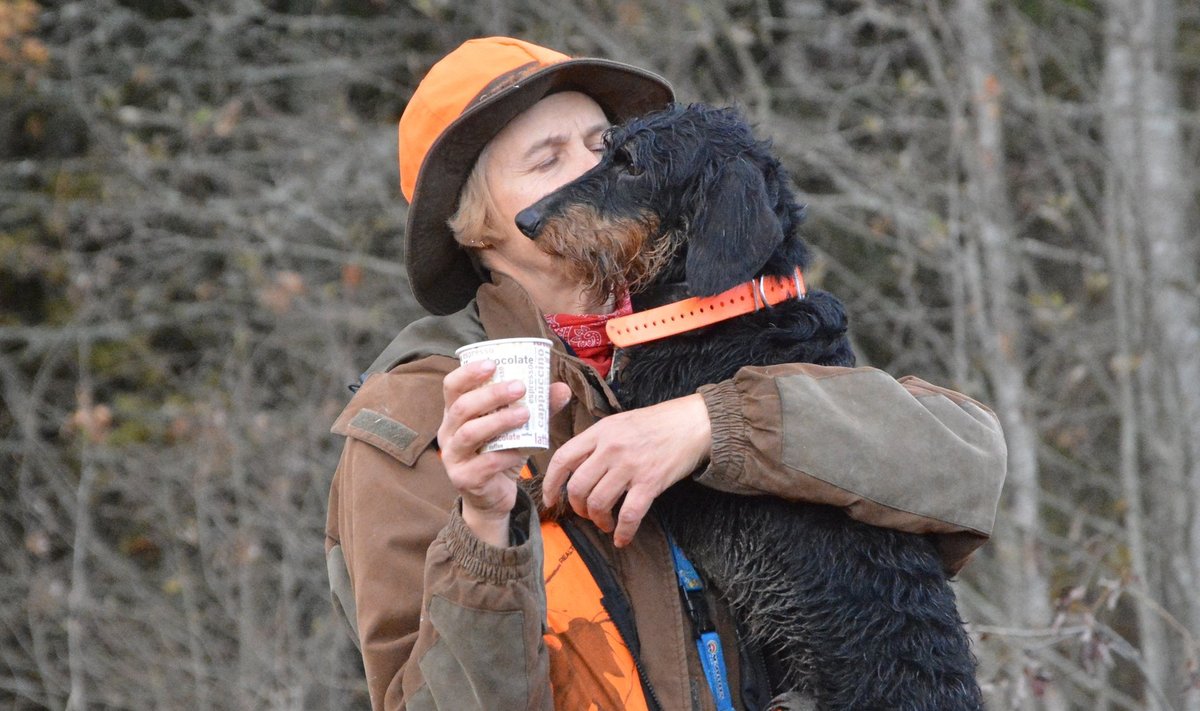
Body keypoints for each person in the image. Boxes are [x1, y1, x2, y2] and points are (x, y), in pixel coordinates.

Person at [325, 36, 1007, 711]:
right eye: (547, 159)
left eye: (603, 145)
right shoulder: (413, 420)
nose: (595, 171)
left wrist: (715, 423)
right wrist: (482, 522)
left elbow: (967, 459)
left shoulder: (723, 335)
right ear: (477, 227)